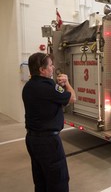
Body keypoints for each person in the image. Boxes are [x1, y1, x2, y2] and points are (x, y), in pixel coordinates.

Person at [22, 52, 76, 192]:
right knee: (58, 181)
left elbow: (49, 99)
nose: (53, 68)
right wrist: (67, 82)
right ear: (42, 69)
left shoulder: (28, 87)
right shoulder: (48, 86)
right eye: (51, 66)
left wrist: (58, 87)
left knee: (41, 179)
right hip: (48, 142)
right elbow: (72, 98)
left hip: (32, 139)